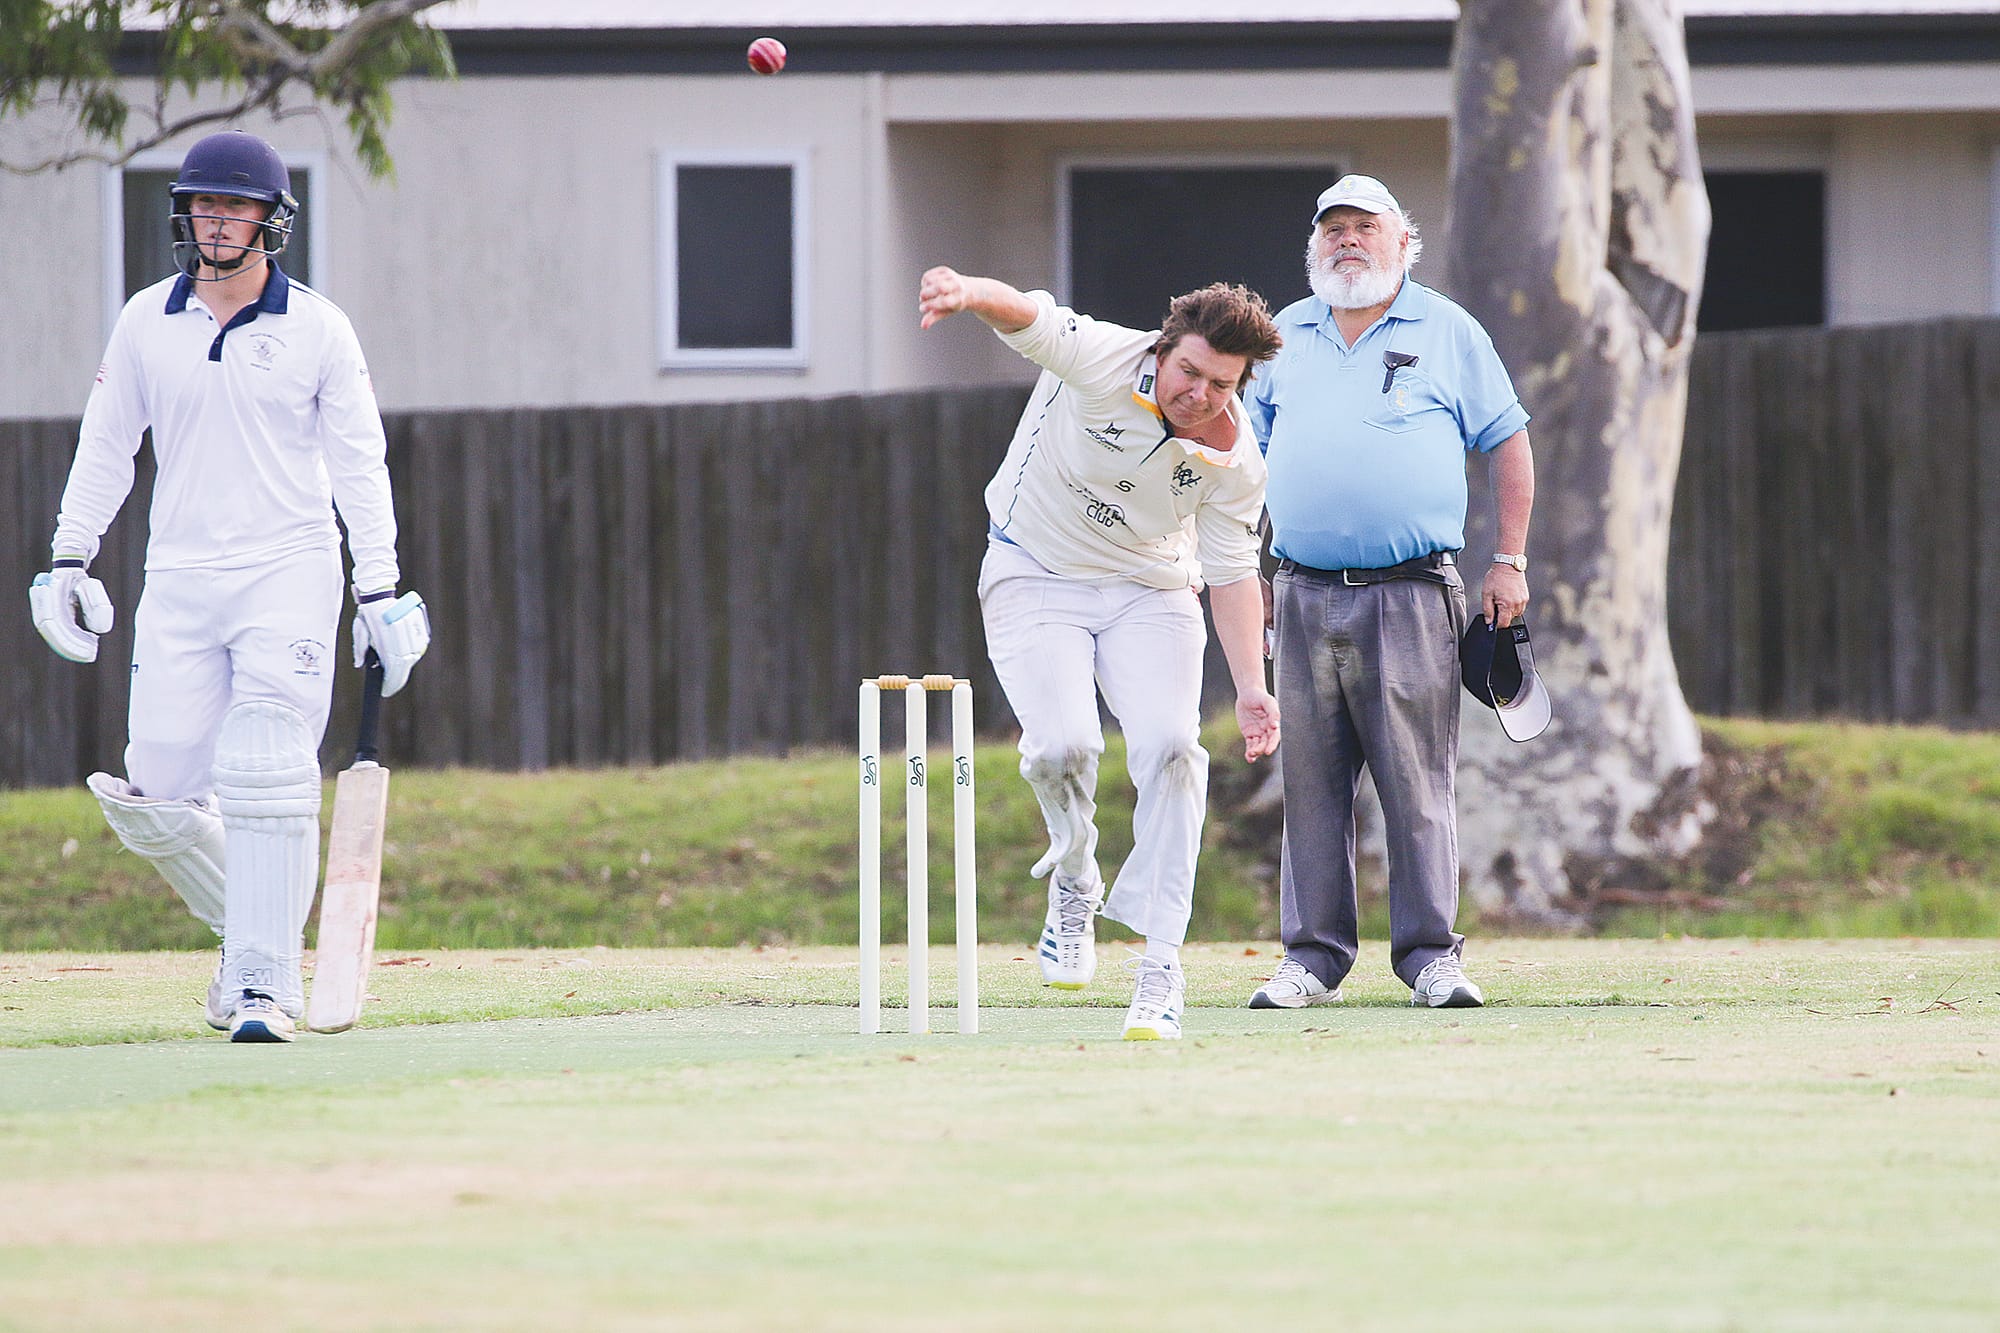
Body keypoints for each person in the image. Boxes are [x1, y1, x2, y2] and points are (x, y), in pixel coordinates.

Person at [28, 129, 430, 1043]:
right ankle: (261, 936)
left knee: (266, 761)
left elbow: (360, 464)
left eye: (234, 206)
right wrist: (67, 559)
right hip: (178, 575)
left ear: (270, 221)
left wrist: (381, 588)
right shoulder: (144, 321)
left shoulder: (320, 329)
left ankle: (259, 985)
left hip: (288, 570)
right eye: (203, 204)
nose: (215, 221)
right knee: (157, 790)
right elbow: (106, 446)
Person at [917, 267, 1282, 1040]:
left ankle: (1159, 970)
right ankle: (1076, 872)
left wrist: (1252, 684)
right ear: (1163, 349)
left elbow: (1233, 572)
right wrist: (965, 292)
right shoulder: (1105, 356)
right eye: (1189, 371)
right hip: (1035, 569)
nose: (1200, 395)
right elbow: (1031, 319)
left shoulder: (1237, 461)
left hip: (1151, 591)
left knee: (1174, 749)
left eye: (1222, 383)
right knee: (1063, 747)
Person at [1244, 174, 1534, 1011]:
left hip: (1412, 594)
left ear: (1402, 243)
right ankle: (1312, 959)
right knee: (1311, 782)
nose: (1348, 242)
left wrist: (1509, 559)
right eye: (1333, 229)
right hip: (1298, 593)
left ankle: (1431, 957)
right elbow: (1241, 460)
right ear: (1314, 247)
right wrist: (1244, 570)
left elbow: (1508, 443)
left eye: (1365, 228)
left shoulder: (1447, 330)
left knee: (1416, 785)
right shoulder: (1280, 337)